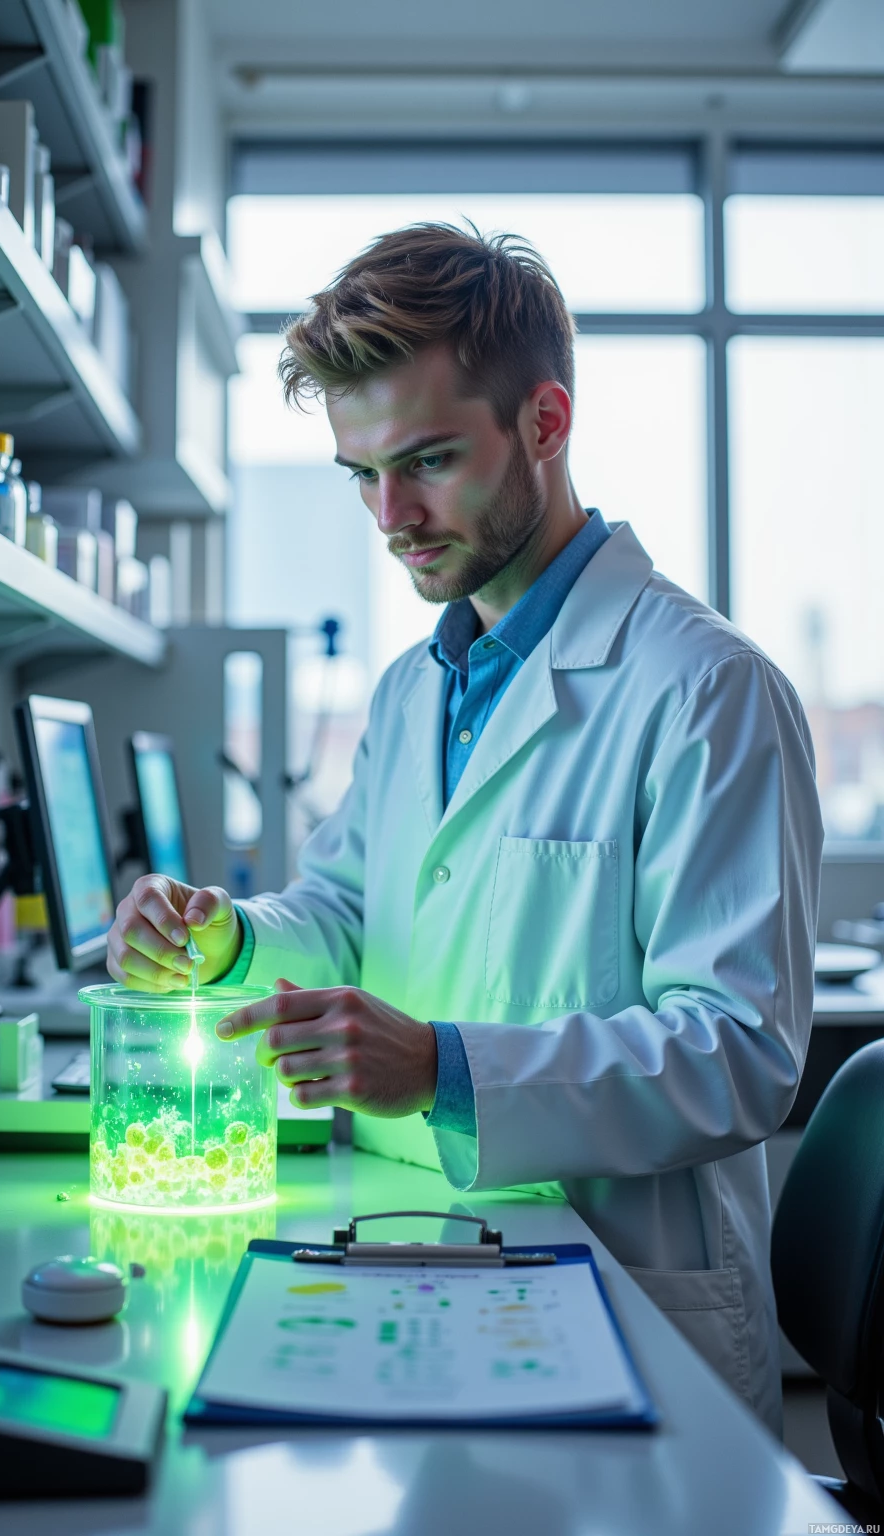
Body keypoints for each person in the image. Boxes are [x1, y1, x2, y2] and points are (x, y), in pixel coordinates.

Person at [107, 223, 822, 1431]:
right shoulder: (413, 687)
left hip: (623, 1292)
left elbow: (735, 1051)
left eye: (429, 460)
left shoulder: (706, 689)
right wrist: (226, 941)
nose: (391, 515)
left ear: (544, 423)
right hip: (406, 1255)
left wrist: (443, 1069)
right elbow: (343, 915)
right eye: (361, 473)